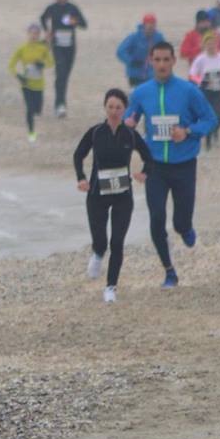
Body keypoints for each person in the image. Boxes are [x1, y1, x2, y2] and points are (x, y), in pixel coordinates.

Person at [124, 41, 218, 286]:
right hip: (155, 166)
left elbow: (210, 119)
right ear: (150, 62)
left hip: (184, 165)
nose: (162, 64)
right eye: (157, 60)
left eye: (166, 60)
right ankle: (169, 271)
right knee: (156, 218)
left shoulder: (189, 91)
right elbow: (129, 118)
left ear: (174, 61)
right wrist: (129, 124)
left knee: (180, 222)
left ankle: (186, 229)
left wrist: (188, 131)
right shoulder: (141, 92)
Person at [74, 88, 147, 303]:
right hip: (97, 194)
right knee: (101, 241)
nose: (114, 111)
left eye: (118, 108)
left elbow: (148, 156)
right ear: (105, 108)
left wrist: (144, 173)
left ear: (125, 110)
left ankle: (110, 287)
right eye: (110, 107)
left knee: (117, 242)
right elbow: (79, 154)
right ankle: (97, 253)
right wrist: (81, 178)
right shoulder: (96, 132)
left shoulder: (130, 135)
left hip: (123, 195)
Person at [39, 0, 88, 117]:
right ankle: (60, 105)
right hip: (57, 45)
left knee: (64, 76)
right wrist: (47, 30)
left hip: (70, 47)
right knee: (60, 74)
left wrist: (75, 22)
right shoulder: (52, 8)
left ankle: (60, 103)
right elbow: (43, 18)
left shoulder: (73, 8)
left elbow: (84, 24)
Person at [7, 23, 54, 142]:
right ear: (28, 34)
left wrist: (42, 64)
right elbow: (11, 65)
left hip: (39, 85)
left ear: (39, 35)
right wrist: (18, 76)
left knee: (38, 110)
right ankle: (31, 132)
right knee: (30, 109)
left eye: (36, 34)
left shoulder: (43, 48)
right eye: (32, 33)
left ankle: (35, 116)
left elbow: (51, 63)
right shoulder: (22, 49)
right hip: (26, 84)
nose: (34, 36)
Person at [187, 30, 220, 150]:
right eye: (208, 43)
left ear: (216, 43)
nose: (211, 45)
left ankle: (215, 131)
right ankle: (208, 140)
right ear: (204, 44)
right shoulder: (200, 59)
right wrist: (201, 81)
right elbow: (192, 74)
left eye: (213, 42)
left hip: (217, 90)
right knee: (209, 116)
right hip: (205, 91)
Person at [116, 14, 163, 87]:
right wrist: (131, 61)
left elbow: (165, 52)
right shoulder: (134, 37)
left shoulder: (158, 37)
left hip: (152, 74)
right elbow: (120, 51)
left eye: (153, 24)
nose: (150, 26)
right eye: (148, 24)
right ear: (144, 25)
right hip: (135, 74)